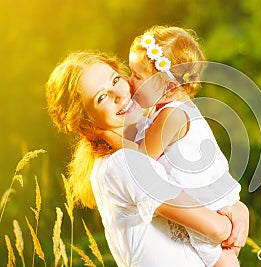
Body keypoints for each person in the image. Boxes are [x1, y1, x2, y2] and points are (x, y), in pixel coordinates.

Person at [45, 51, 249, 267]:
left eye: (116, 79)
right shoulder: (123, 163)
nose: (119, 94)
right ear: (86, 123)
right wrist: (234, 219)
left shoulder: (147, 136)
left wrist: (237, 208)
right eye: (101, 97)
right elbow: (217, 230)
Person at [105, 25, 242, 267]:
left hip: (208, 205)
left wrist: (108, 135)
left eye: (137, 76)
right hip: (207, 203)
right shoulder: (167, 109)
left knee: (221, 259)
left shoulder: (172, 116)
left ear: (168, 88)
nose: (129, 81)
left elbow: (142, 158)